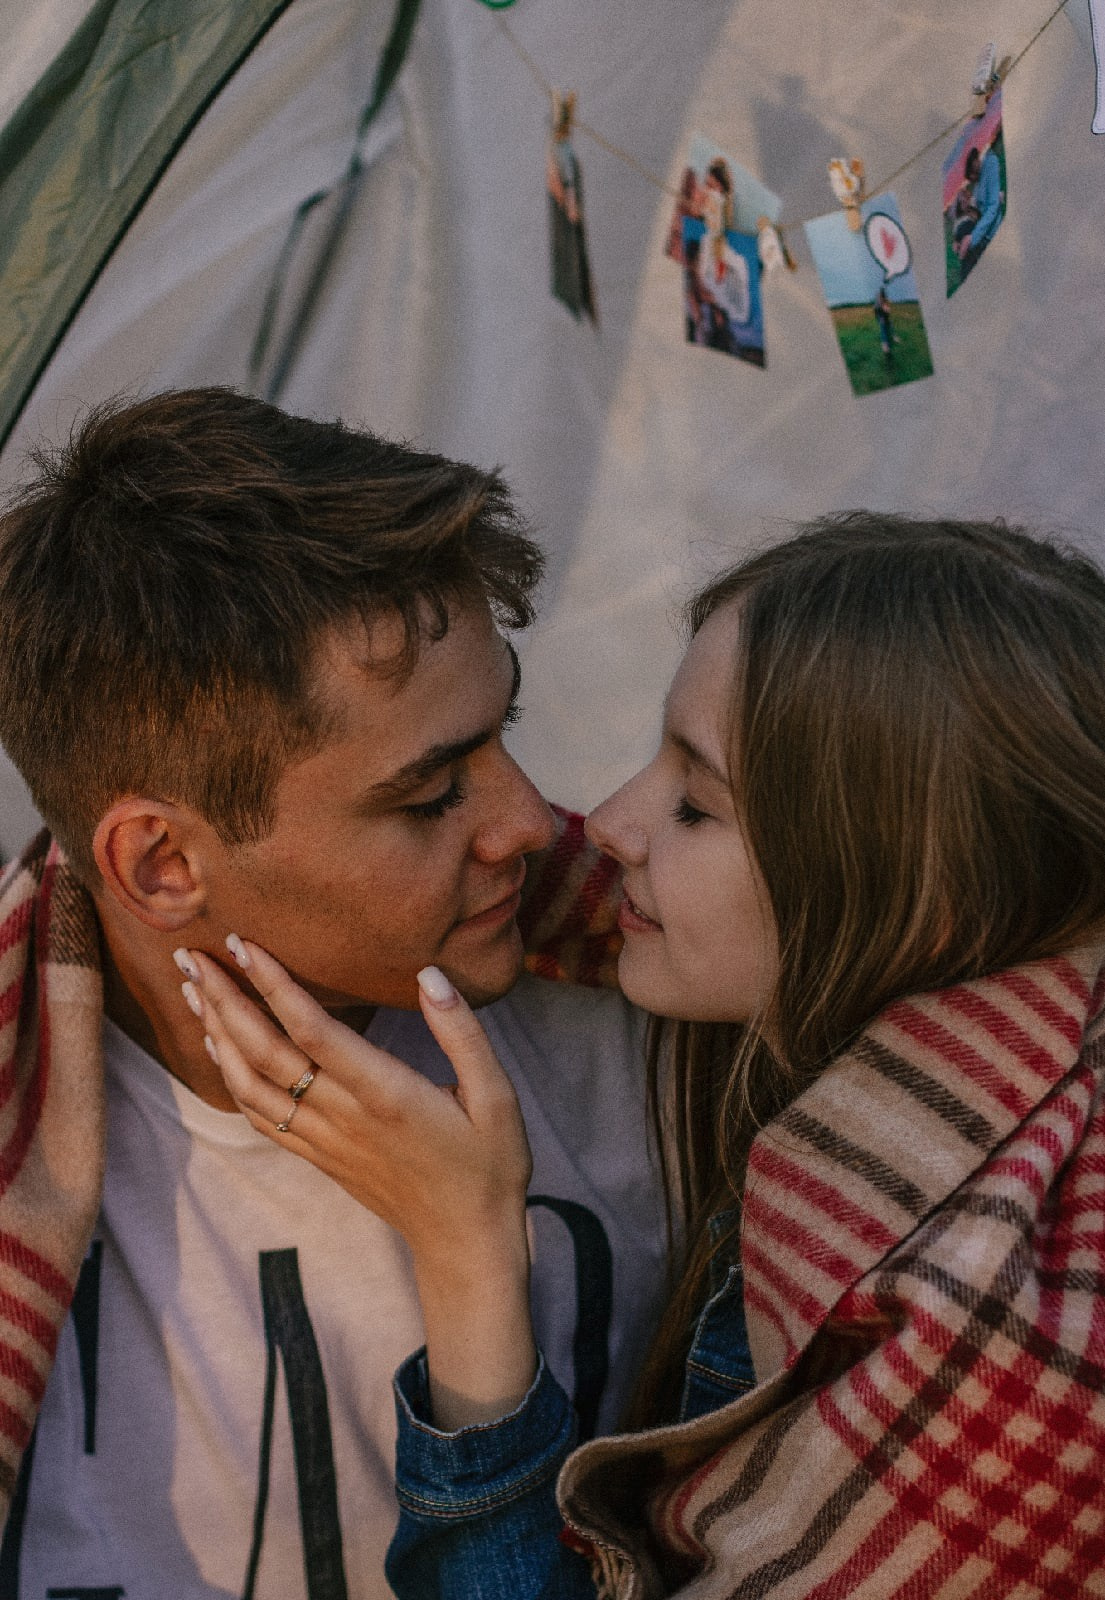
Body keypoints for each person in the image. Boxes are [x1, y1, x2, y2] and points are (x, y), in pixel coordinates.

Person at [186, 512, 1105, 1598]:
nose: (604, 826)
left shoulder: (1000, 1356)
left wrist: (469, 1255)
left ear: (927, 902)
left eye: (696, 805)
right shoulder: (912, 1108)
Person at [0, 389, 666, 1595]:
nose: (530, 822)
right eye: (427, 797)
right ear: (162, 865)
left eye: (501, 727)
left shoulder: (656, 1037)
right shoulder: (24, 1168)